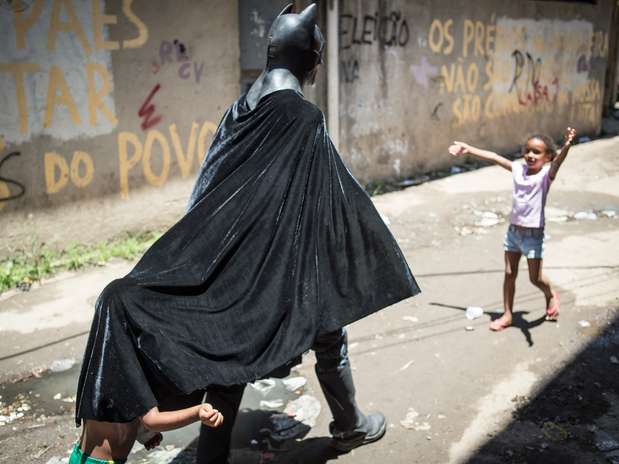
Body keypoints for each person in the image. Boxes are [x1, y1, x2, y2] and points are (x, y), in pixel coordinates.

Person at [75, 3, 419, 464]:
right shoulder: (303, 118)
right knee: (326, 329)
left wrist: (198, 257)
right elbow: (327, 193)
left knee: (229, 349)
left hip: (225, 255)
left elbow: (207, 185)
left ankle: (214, 457)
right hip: (278, 256)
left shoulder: (238, 110)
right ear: (310, 62)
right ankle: (350, 426)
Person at [449, 127, 576, 331]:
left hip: (533, 235)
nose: (530, 155)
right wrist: (468, 148)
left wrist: (567, 146)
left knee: (535, 278)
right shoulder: (518, 169)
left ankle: (550, 294)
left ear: (548, 157)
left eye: (536, 152)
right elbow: (494, 157)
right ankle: (507, 315)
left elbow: (558, 162)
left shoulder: (545, 176)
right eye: (527, 151)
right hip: (513, 232)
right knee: (509, 273)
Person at [70, 402, 223, 463]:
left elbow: (118, 414)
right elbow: (153, 420)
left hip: (84, 456)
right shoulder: (131, 371)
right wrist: (196, 412)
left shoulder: (102, 368)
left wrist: (144, 433)